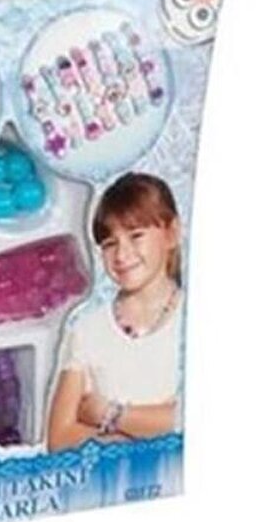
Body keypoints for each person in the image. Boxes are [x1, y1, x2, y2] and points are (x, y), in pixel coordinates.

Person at [46, 172, 184, 450]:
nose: (121, 255)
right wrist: (144, 430)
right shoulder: (86, 329)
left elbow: (184, 420)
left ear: (171, 233)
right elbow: (59, 438)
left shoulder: (190, 317)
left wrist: (108, 414)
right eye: (110, 244)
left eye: (136, 236)